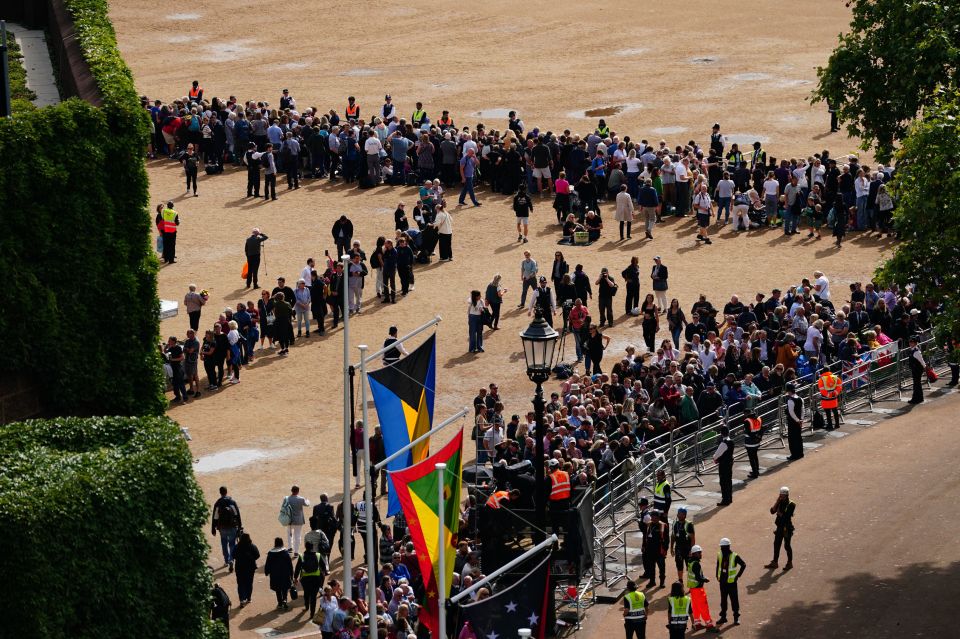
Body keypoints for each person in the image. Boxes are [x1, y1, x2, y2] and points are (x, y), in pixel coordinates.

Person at [685, 545, 716, 632]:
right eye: (699, 553)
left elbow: (695, 575)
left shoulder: (690, 561)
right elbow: (698, 578)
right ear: (694, 554)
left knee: (696, 606)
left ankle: (697, 623)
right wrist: (705, 579)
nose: (701, 554)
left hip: (693, 589)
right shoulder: (696, 564)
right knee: (703, 606)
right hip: (698, 589)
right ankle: (709, 625)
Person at [715, 538, 745, 626]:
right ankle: (723, 617)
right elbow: (718, 564)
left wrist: (738, 576)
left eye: (723, 547)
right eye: (721, 547)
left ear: (728, 547)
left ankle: (736, 617)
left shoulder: (734, 556)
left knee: (734, 600)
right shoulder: (720, 554)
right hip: (723, 581)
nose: (721, 549)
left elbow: (743, 565)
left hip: (732, 582)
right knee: (723, 600)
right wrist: (717, 574)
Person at [765, 487, 796, 571]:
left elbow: (786, 517)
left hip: (787, 528)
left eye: (782, 495)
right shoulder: (780, 502)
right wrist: (777, 502)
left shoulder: (792, 504)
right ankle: (775, 562)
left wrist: (779, 513)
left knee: (787, 545)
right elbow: (772, 511)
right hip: (779, 528)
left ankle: (789, 563)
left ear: (787, 495)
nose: (781, 497)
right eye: (780, 495)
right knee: (776, 544)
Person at [212, 486, 242, 572]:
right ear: (226, 492)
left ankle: (226, 560)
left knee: (224, 544)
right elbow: (237, 515)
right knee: (232, 544)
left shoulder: (218, 503)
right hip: (232, 527)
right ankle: (231, 559)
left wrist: (213, 529)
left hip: (222, 528)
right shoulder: (232, 502)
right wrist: (239, 526)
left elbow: (215, 517)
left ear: (220, 492)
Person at [295, 541, 325, 618]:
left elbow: (297, 568)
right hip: (316, 579)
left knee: (306, 593)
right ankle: (312, 613)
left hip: (305, 579)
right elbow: (324, 566)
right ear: (313, 547)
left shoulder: (301, 556)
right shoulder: (318, 555)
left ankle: (306, 606)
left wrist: (295, 578)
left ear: (305, 546)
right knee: (313, 596)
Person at [264, 536, 294, 609]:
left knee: (278, 589)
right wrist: (291, 574)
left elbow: (267, 564)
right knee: (285, 588)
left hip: (275, 574)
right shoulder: (285, 552)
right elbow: (290, 565)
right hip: (285, 573)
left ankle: (280, 603)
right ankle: (285, 600)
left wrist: (267, 572)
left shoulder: (271, 553)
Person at [282, 485, 311, 555]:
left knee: (289, 534)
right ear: (298, 491)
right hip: (298, 520)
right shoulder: (301, 499)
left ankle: (290, 548)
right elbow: (307, 504)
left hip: (289, 520)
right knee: (297, 536)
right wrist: (307, 500)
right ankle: (296, 552)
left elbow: (283, 507)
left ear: (291, 490)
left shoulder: (286, 499)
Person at [234, 532, 260, 607]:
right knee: (249, 583)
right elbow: (257, 555)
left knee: (240, 583)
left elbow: (233, 555)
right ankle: (248, 598)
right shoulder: (252, 546)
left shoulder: (237, 546)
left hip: (239, 567)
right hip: (250, 567)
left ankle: (242, 599)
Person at [670, 507, 695, 583]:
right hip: (678, 549)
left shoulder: (689, 524)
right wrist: (671, 548)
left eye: (681, 514)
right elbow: (673, 536)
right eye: (678, 513)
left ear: (685, 515)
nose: (679, 515)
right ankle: (680, 580)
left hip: (687, 549)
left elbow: (692, 538)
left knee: (689, 567)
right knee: (679, 565)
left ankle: (691, 582)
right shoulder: (675, 523)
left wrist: (692, 550)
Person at [712, 426, 733, 506]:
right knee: (729, 481)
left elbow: (716, 456)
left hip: (724, 465)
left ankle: (725, 500)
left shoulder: (723, 444)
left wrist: (715, 458)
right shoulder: (731, 442)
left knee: (723, 482)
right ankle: (729, 498)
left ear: (721, 434)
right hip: (729, 463)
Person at [164, 335, 188, 404]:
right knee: (174, 384)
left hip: (178, 368)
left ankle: (185, 398)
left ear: (174, 341)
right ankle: (177, 397)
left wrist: (173, 360)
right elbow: (165, 352)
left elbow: (182, 357)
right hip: (173, 368)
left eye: (170, 341)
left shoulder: (178, 348)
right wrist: (166, 346)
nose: (168, 341)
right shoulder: (171, 348)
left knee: (181, 384)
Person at [784, 382, 804, 460]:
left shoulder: (790, 400)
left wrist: (797, 420)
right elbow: (803, 410)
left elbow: (791, 412)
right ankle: (800, 453)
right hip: (799, 421)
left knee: (792, 439)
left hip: (793, 422)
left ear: (789, 391)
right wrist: (801, 419)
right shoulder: (800, 398)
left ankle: (794, 455)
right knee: (798, 437)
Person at [906, 335, 927, 404]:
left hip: (917, 370)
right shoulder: (912, 350)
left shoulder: (916, 351)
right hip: (915, 369)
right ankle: (919, 398)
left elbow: (922, 361)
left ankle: (916, 398)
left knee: (916, 384)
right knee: (917, 384)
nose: (910, 343)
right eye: (910, 342)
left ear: (915, 343)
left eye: (912, 342)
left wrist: (925, 367)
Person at [743, 410, 763, 478]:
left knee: (751, 458)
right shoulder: (759, 418)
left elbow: (748, 432)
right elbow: (761, 429)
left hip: (750, 442)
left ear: (746, 413)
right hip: (757, 441)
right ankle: (756, 470)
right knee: (755, 456)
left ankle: (755, 473)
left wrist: (754, 438)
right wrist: (759, 438)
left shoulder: (747, 420)